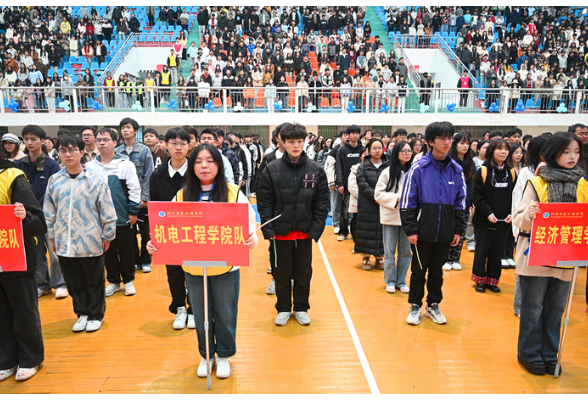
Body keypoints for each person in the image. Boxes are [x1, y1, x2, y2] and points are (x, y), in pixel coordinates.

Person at [147, 143, 259, 380]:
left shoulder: (233, 193)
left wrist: (252, 239)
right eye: (198, 161)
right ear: (192, 166)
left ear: (218, 164)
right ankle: (206, 355)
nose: (204, 165)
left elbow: (249, 226)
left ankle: (224, 355)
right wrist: (154, 245)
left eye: (210, 160)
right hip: (194, 267)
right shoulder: (182, 195)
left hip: (227, 267)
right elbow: (168, 231)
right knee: (201, 314)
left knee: (226, 313)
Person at [514, 132, 587, 376]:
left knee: (556, 310)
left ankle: (549, 353)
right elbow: (519, 220)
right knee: (533, 308)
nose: (572, 157)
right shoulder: (537, 183)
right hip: (535, 256)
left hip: (567, 257)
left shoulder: (583, 185)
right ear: (554, 153)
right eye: (567, 152)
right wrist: (530, 214)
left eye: (576, 152)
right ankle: (530, 353)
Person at [257, 123, 330, 327]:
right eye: (291, 142)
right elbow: (264, 202)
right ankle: (282, 308)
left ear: (305, 142)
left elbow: (322, 202)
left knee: (303, 273)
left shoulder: (315, 170)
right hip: (280, 234)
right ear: (283, 142)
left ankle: (300, 308)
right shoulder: (272, 169)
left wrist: (316, 229)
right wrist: (268, 228)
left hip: (305, 234)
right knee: (281, 274)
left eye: (299, 141)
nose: (295, 146)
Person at [44, 135, 117, 334]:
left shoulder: (94, 180)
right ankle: (82, 313)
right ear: (58, 153)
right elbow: (49, 211)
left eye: (72, 150)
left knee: (93, 280)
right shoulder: (55, 180)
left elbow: (107, 210)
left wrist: (107, 235)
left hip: (91, 240)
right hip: (64, 240)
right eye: (63, 150)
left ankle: (95, 315)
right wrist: (52, 236)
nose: (68, 154)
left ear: (81, 152)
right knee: (73, 281)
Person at [401, 121, 467, 326]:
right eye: (442, 138)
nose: (448, 142)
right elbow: (407, 201)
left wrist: (458, 230)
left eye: (450, 137)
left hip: (446, 233)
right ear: (431, 141)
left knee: (437, 272)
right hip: (422, 232)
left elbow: (461, 203)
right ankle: (414, 306)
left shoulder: (456, 170)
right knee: (418, 270)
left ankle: (433, 305)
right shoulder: (418, 169)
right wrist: (411, 229)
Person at [0, 153, 47, 383]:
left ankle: (30, 358)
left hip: (15, 256)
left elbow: (39, 222)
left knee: (23, 308)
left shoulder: (12, 176)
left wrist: (24, 215)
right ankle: (6, 359)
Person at [86, 128, 142, 298]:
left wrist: (133, 213)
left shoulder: (125, 165)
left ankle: (128, 280)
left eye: (106, 139)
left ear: (115, 143)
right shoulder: (90, 167)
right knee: (107, 252)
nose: (102, 143)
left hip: (122, 217)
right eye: (99, 140)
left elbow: (134, 190)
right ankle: (113, 281)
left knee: (126, 250)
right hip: (100, 220)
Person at [148, 128, 194, 330]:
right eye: (173, 143)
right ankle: (179, 308)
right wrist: (156, 236)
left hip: (194, 233)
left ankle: (193, 308)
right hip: (170, 233)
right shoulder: (157, 175)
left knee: (193, 271)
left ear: (189, 145)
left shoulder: (196, 172)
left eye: (182, 143)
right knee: (173, 272)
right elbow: (155, 206)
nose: (178, 147)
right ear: (165, 144)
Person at [15, 126, 65, 300]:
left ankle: (60, 283)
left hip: (49, 216)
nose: (29, 142)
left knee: (55, 251)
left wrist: (40, 208)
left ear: (42, 141)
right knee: (35, 251)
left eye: (33, 139)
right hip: (28, 217)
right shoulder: (19, 165)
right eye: (25, 139)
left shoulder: (52, 165)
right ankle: (42, 284)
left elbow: (54, 190)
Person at [471, 139, 516, 293]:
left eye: (506, 149)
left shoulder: (511, 172)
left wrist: (512, 213)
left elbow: (515, 196)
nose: (503, 152)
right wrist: (488, 213)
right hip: (484, 220)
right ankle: (480, 280)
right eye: (499, 149)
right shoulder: (482, 171)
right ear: (491, 151)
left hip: (504, 221)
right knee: (482, 252)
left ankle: (493, 280)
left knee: (497, 253)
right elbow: (476, 196)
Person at [115, 118, 154, 274]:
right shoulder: (117, 151)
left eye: (128, 128)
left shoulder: (144, 151)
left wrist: (144, 198)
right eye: (123, 128)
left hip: (142, 200)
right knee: (128, 233)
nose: (125, 130)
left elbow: (148, 175)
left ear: (135, 131)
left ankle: (145, 261)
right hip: (123, 200)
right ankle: (135, 260)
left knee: (145, 232)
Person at [375, 140, 413, 294]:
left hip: (409, 217)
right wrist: (397, 197)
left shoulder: (414, 172)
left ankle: (401, 280)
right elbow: (378, 194)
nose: (407, 154)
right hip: (391, 215)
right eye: (404, 151)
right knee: (389, 250)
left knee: (406, 251)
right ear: (396, 153)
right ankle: (390, 280)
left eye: (409, 151)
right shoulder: (387, 172)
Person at [443, 132, 475, 272]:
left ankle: (455, 258)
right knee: (448, 230)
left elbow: (472, 185)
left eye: (467, 144)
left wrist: (471, 203)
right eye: (462, 143)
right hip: (449, 202)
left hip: (465, 202)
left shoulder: (471, 163)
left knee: (461, 231)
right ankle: (446, 258)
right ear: (455, 144)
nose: (465, 146)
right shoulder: (449, 161)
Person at [354, 138, 388, 270]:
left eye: (380, 148)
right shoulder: (362, 167)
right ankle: (366, 257)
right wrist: (375, 196)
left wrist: (382, 197)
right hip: (367, 204)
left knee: (381, 231)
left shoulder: (388, 165)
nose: (377, 150)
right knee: (366, 231)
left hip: (383, 203)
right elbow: (362, 184)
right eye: (374, 148)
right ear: (368, 150)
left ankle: (380, 256)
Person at [335, 125, 364, 242]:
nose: (355, 135)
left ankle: (355, 233)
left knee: (357, 212)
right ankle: (343, 232)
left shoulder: (363, 149)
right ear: (348, 135)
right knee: (345, 210)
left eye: (357, 133)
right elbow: (339, 167)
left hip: (360, 186)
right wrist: (340, 183)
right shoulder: (342, 150)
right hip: (346, 185)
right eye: (352, 133)